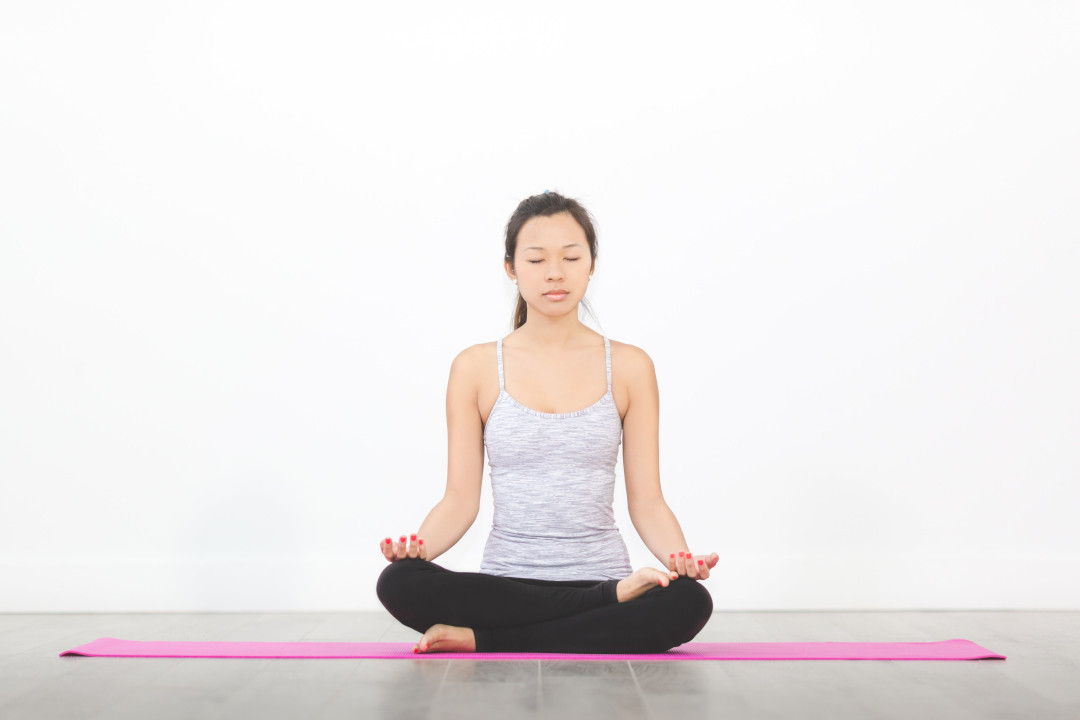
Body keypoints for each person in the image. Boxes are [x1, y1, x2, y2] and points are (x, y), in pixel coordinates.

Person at [376, 190, 717, 654]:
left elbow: (648, 500)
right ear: (511, 268)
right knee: (398, 581)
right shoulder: (475, 368)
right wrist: (417, 551)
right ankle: (591, 611)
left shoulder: (631, 367)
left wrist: (680, 562)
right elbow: (459, 499)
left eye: (571, 257)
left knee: (688, 601)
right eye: (536, 260)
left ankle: (488, 640)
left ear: (590, 264)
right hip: (507, 587)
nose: (555, 273)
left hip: (602, 574)